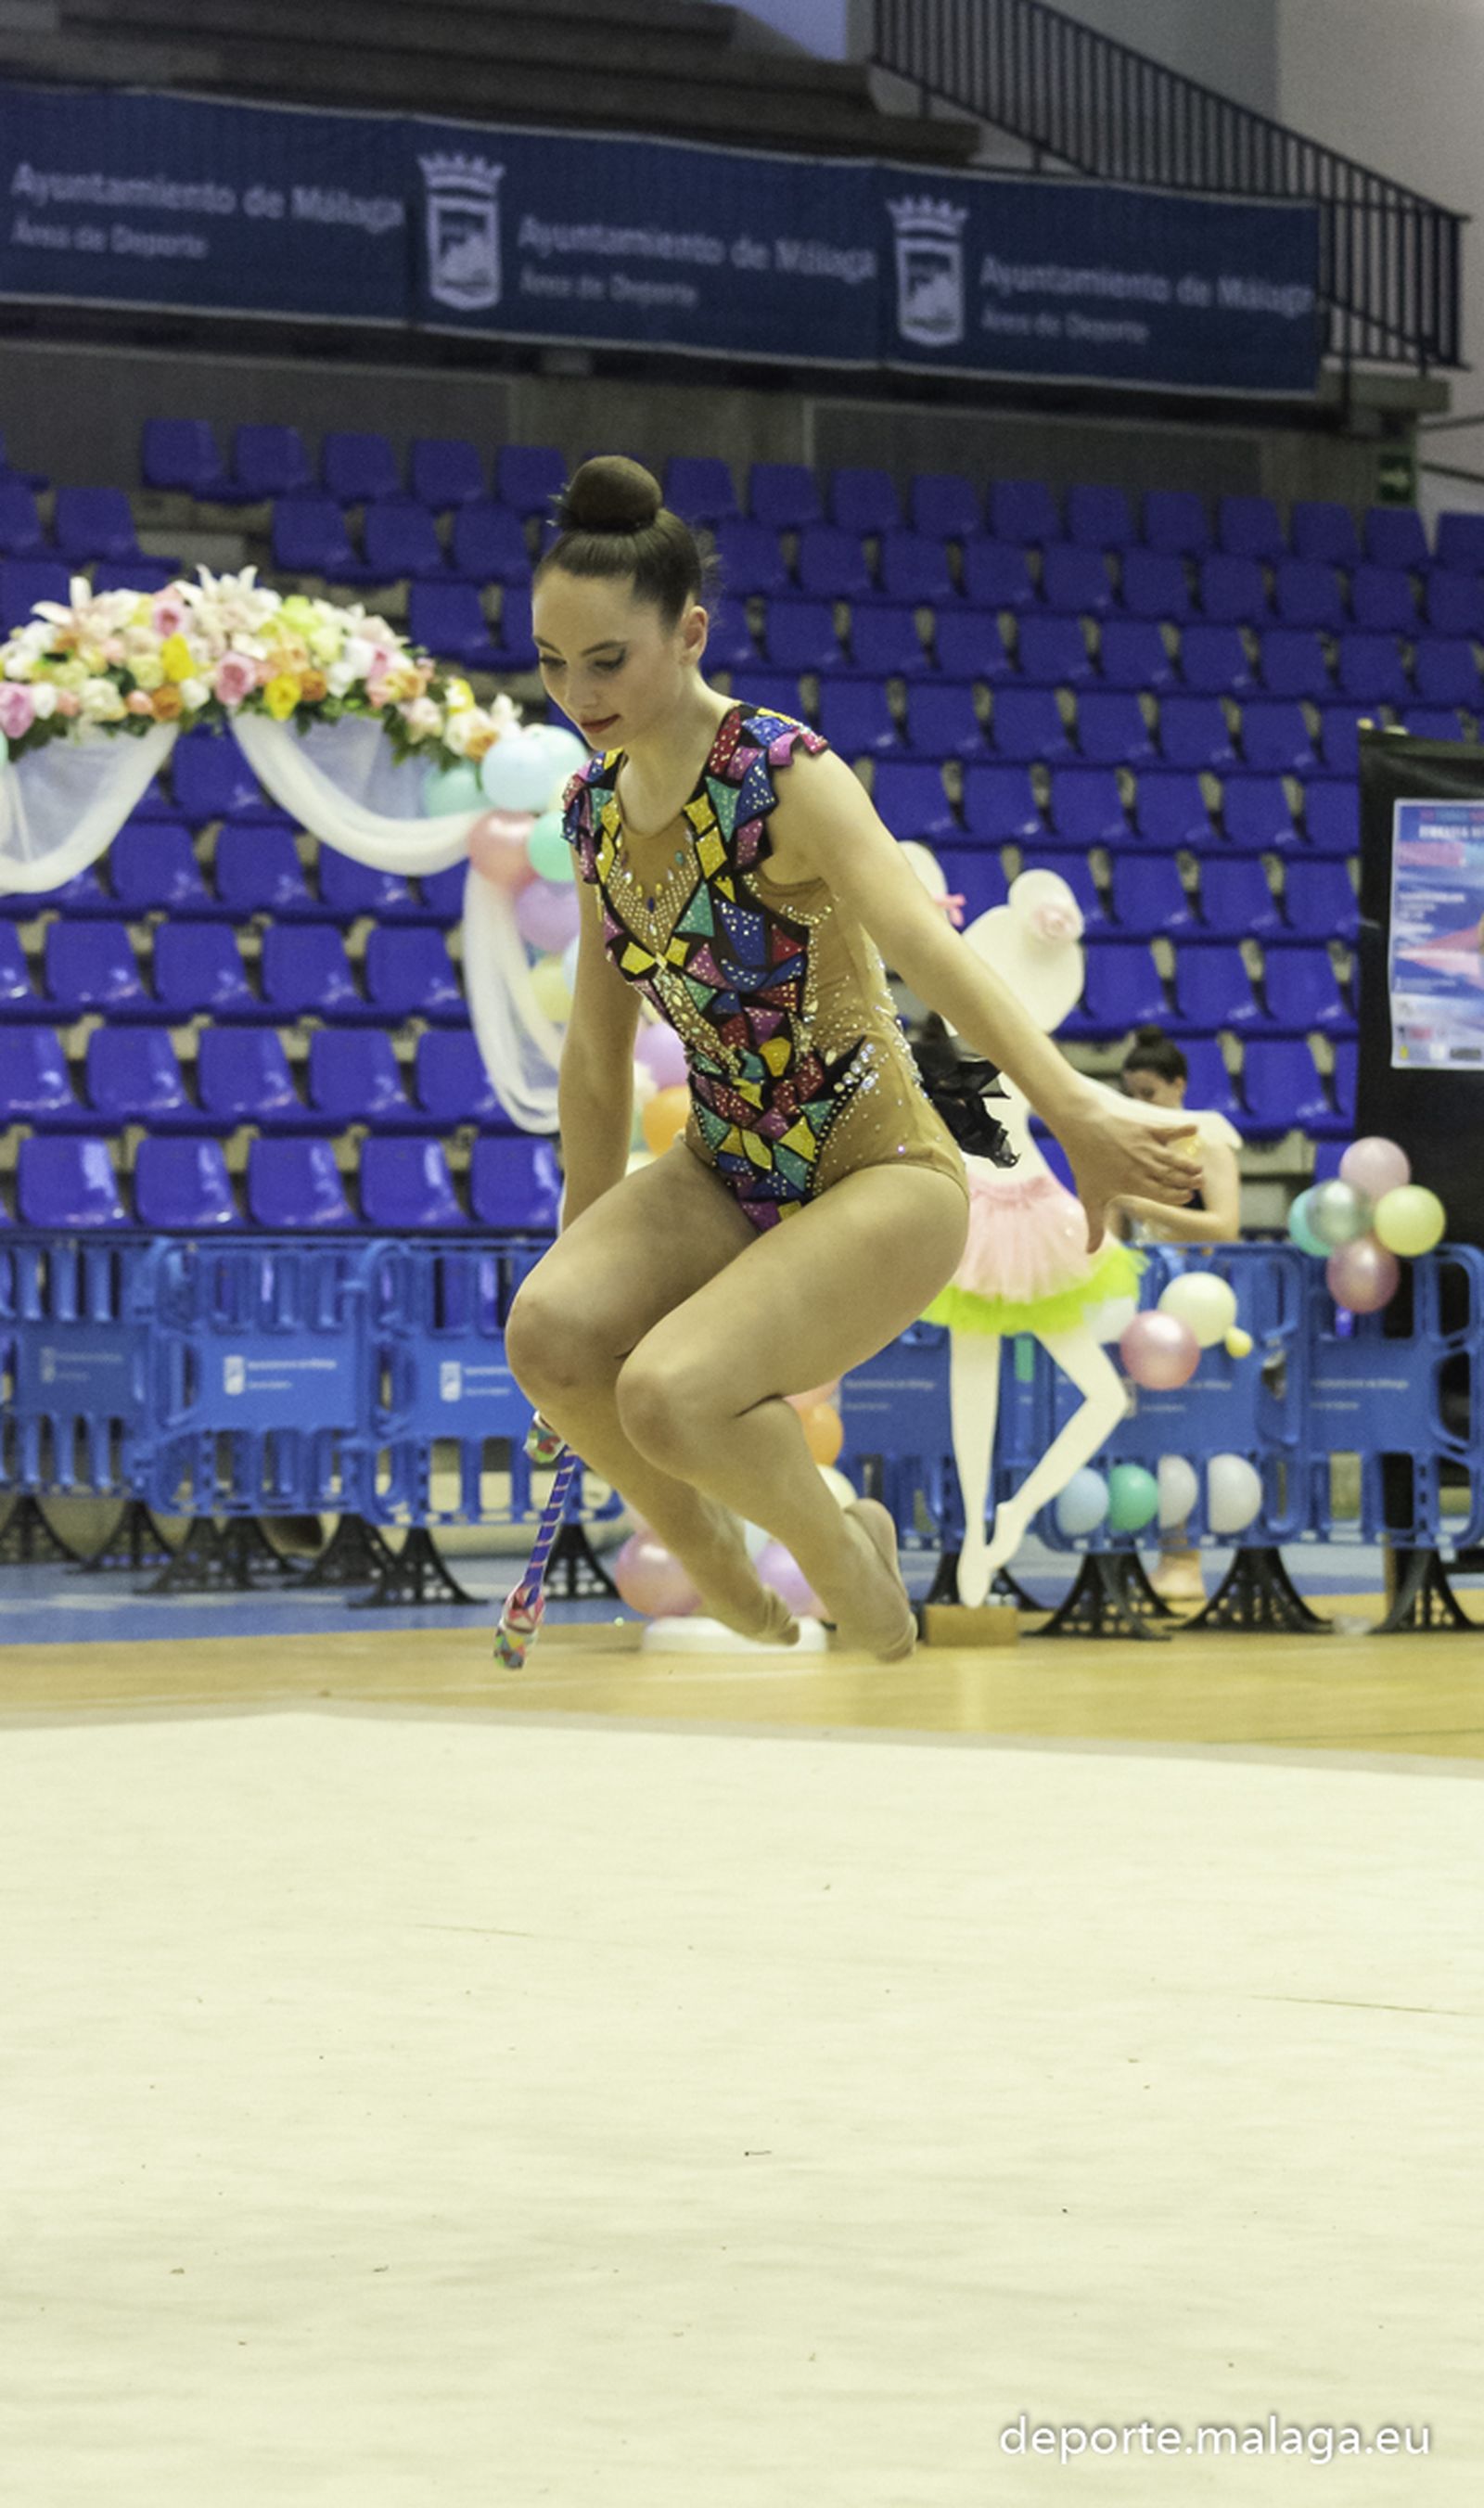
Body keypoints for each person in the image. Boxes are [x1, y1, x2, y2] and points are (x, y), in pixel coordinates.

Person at [504, 456, 1201, 1659]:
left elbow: (928, 950)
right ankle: (716, 1556)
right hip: (728, 1168)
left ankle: (850, 1565)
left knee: (667, 1391)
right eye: (554, 663)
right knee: (552, 1339)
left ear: (690, 634)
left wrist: (1073, 1105)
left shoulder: (783, 776)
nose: (579, 691)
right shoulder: (593, 815)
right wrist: (586, 1256)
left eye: (606, 659)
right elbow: (593, 1060)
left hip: (881, 1174)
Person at [1112, 1025, 1244, 1601]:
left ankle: (1183, 1556)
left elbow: (1227, 1227)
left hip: (1196, 1307)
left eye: (1150, 1094)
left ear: (1178, 1086)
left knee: (1182, 1431)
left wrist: (1144, 1207)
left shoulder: (1209, 1145)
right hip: (1138, 1308)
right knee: (1140, 1430)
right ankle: (1133, 1556)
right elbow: (1112, 1237)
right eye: (1130, 1095)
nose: (1140, 1106)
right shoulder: (1125, 1152)